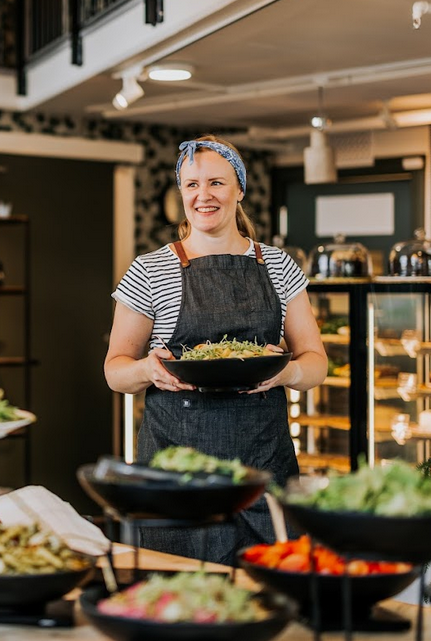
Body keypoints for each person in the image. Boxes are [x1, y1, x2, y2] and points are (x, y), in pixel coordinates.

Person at [104, 135, 326, 565]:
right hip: (178, 471)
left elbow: (316, 362)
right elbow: (115, 370)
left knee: (269, 593)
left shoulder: (279, 266)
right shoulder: (150, 269)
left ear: (239, 190)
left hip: (264, 469)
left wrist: (287, 373)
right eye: (191, 185)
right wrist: (147, 369)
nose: (202, 196)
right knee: (181, 596)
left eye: (216, 183)